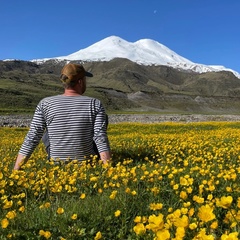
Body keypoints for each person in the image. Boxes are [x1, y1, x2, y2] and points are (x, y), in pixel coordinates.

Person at [13, 63, 111, 170]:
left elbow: (33, 136)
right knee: (102, 121)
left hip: (57, 165)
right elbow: (99, 136)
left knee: (44, 131)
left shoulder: (45, 103)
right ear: (80, 81)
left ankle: (59, 157)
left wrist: (16, 169)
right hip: (86, 163)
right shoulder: (95, 103)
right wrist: (108, 168)